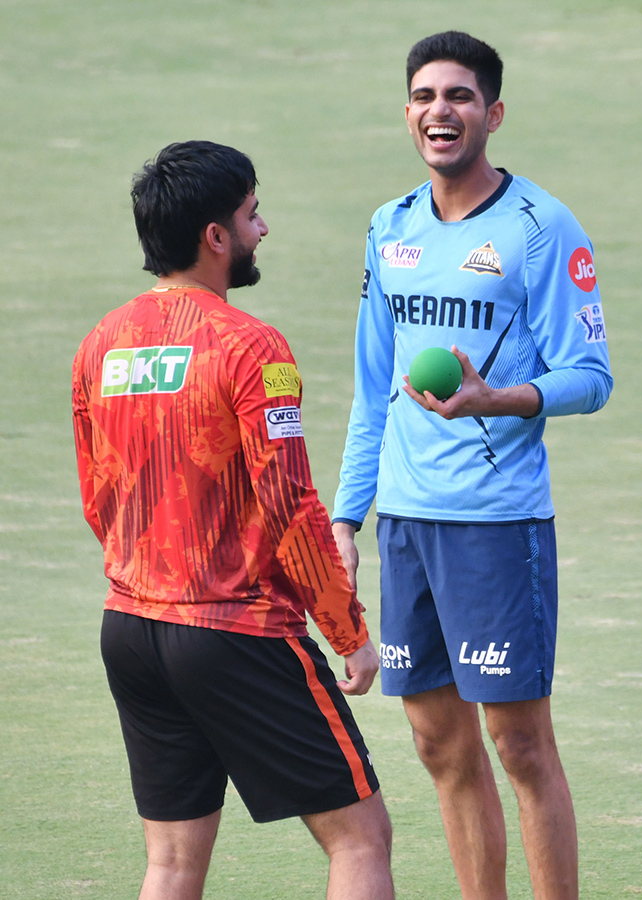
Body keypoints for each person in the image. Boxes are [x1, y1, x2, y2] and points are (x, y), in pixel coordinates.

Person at [71, 140, 394, 900]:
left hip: (131, 630)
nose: (263, 230)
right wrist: (347, 631)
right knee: (361, 837)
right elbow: (291, 504)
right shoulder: (254, 349)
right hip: (235, 634)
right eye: (252, 216)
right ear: (215, 237)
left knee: (172, 863)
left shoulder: (99, 346)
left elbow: (98, 496)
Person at [331, 31, 612, 900]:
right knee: (436, 744)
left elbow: (591, 378)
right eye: (423, 96)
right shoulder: (391, 227)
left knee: (521, 746)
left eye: (457, 97)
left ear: (491, 113)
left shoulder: (542, 226)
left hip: (498, 522)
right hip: (409, 527)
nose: (438, 111)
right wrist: (347, 519)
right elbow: (374, 386)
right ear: (408, 113)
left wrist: (498, 399)